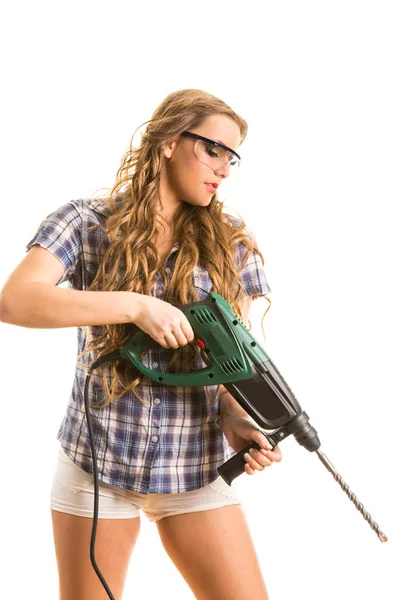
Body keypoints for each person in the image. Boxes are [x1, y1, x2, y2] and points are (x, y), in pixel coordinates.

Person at [0, 88, 282, 600]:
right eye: (213, 149)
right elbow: (15, 301)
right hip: (98, 464)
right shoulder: (85, 220)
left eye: (232, 157)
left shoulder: (232, 240)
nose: (223, 168)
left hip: (193, 464)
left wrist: (236, 418)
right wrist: (134, 305)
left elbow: (230, 364)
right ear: (171, 141)